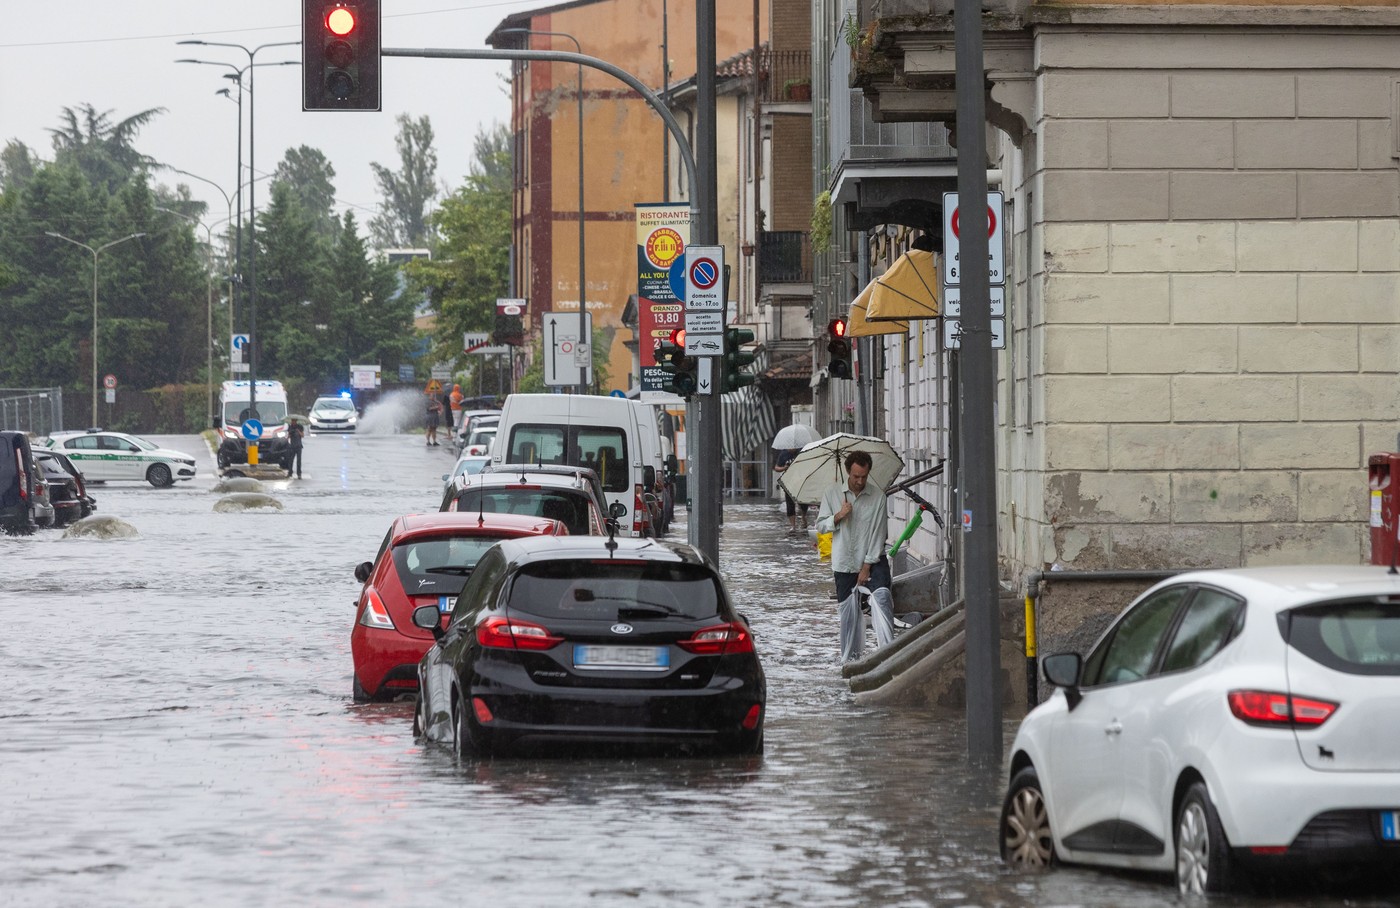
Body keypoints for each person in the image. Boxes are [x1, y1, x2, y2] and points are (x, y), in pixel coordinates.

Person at [816, 450, 894, 662]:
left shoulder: (878, 496)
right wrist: (839, 516)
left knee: (882, 598)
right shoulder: (832, 493)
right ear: (848, 472)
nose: (860, 481)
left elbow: (879, 534)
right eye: (855, 476)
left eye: (864, 476)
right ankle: (850, 662)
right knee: (848, 617)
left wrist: (866, 566)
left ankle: (889, 657)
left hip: (873, 560)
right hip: (844, 563)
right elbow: (821, 526)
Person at [772, 447, 809, 535]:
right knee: (790, 504)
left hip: (801, 481)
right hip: (788, 482)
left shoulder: (802, 452)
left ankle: (804, 517)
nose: (792, 448)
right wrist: (784, 468)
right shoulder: (783, 454)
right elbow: (776, 468)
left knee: (803, 502)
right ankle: (793, 525)